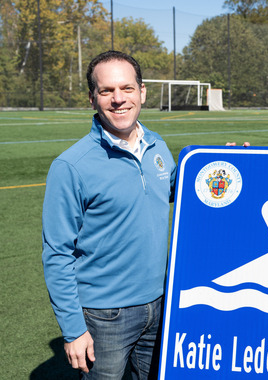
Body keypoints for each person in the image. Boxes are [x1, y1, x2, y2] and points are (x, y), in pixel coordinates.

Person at [42, 50, 177, 379]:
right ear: (93, 99)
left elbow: (180, 192)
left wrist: (225, 163)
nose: (119, 99)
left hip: (162, 305)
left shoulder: (158, 147)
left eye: (127, 89)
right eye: (107, 91)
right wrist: (73, 331)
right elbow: (57, 253)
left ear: (142, 92)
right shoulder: (71, 166)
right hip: (105, 317)